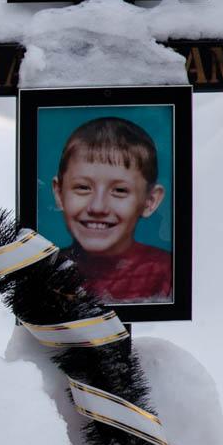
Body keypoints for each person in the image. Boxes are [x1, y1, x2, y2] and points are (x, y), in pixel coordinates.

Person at [50, 115, 172, 304]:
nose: (97, 207)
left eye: (120, 191)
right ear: (59, 194)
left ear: (150, 201)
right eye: (83, 187)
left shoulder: (167, 273)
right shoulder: (46, 272)